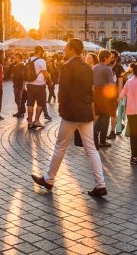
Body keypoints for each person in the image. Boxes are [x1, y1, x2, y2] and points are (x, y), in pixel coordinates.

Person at [31, 38, 107, 197]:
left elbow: (63, 92)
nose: (64, 50)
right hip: (85, 112)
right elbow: (90, 91)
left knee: (60, 146)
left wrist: (61, 108)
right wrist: (90, 106)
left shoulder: (66, 67)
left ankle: (49, 179)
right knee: (91, 149)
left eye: (66, 48)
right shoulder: (87, 67)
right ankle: (101, 185)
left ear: (72, 49)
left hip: (71, 113)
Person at [92, 50, 117, 149]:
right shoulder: (107, 69)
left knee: (104, 116)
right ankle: (95, 135)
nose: (111, 59)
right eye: (110, 57)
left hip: (96, 93)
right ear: (106, 58)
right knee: (105, 115)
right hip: (105, 94)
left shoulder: (94, 67)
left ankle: (102, 140)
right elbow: (111, 84)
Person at [25, 46, 50, 130]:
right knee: (40, 103)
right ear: (39, 51)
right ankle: (36, 121)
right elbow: (46, 74)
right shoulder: (41, 61)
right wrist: (50, 82)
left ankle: (29, 122)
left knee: (30, 103)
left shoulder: (28, 60)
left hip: (30, 85)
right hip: (40, 85)